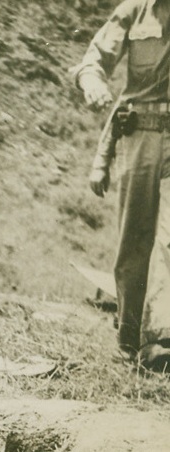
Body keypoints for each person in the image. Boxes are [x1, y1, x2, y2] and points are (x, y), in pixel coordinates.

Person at [73, 0, 170, 372]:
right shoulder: (135, 10)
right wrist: (93, 81)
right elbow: (94, 58)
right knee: (135, 240)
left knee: (169, 237)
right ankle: (130, 340)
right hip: (140, 136)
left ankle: (160, 338)